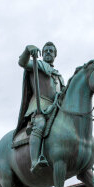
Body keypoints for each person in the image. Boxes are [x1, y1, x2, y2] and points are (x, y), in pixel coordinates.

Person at [13, 42, 65, 174]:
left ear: (55, 55)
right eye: (46, 50)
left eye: (51, 51)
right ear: (42, 53)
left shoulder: (59, 76)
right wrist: (27, 49)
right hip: (40, 106)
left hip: (55, 107)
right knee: (40, 124)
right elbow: (22, 63)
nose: (48, 52)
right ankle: (35, 160)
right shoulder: (37, 65)